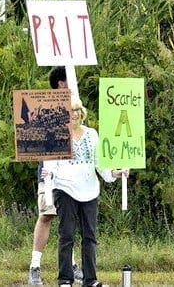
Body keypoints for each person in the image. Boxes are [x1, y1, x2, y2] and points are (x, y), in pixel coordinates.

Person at [41, 99, 129, 287]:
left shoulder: (92, 135)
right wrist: (49, 173)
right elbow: (51, 164)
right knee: (67, 234)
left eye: (77, 110)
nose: (73, 114)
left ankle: (90, 280)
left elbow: (100, 164)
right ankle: (65, 278)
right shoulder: (57, 135)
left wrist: (115, 173)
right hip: (65, 189)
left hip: (89, 190)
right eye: (70, 111)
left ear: (82, 113)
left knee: (90, 236)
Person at [28, 67, 83, 285]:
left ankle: (71, 265)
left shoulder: (77, 109)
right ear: (61, 84)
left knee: (68, 220)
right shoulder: (46, 107)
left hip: (72, 173)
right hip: (51, 172)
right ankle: (35, 267)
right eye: (70, 81)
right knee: (47, 214)